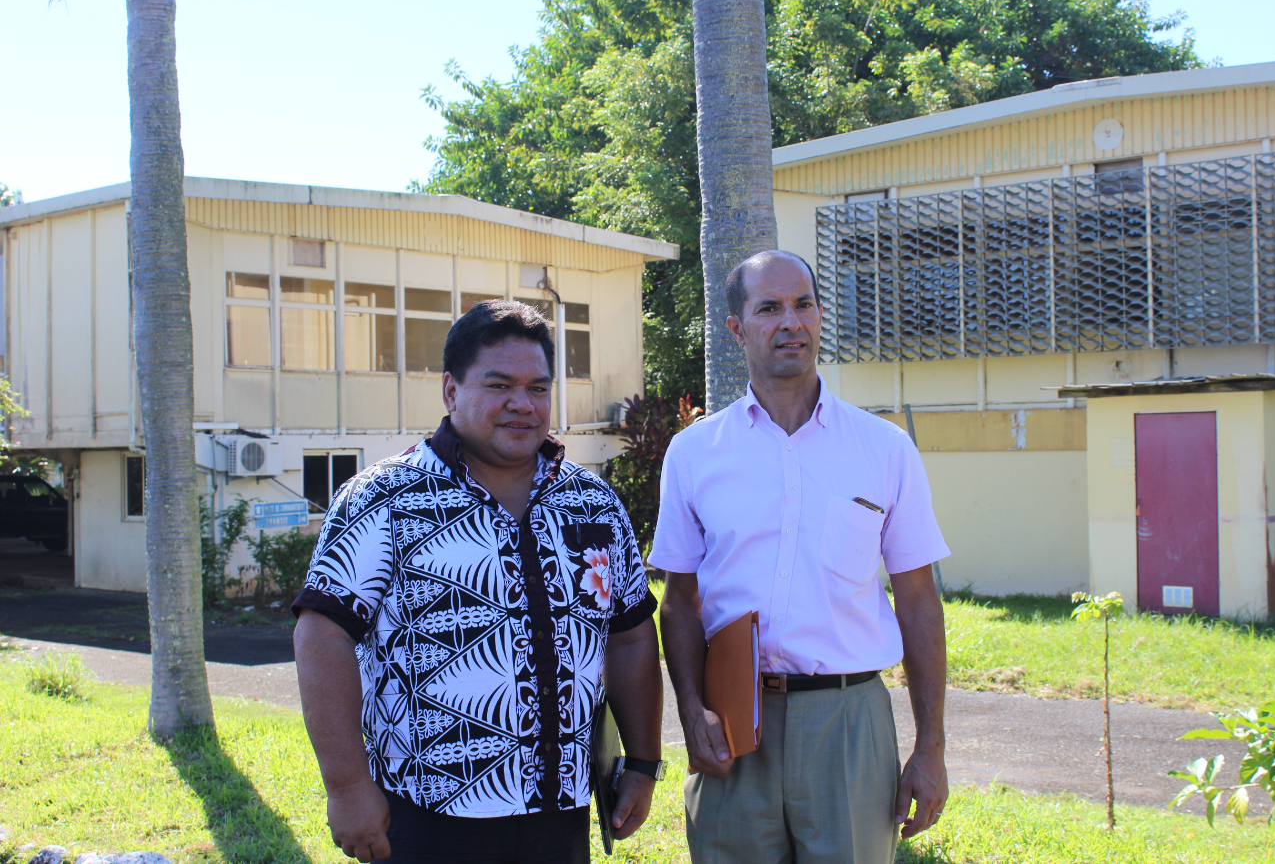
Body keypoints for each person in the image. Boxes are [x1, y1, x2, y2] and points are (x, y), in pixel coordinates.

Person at [292, 300, 664, 864]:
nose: (523, 404)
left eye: (539, 388)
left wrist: (641, 761)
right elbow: (323, 637)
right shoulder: (385, 500)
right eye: (499, 385)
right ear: (450, 391)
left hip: (559, 816)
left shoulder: (593, 505)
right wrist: (346, 786)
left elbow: (632, 637)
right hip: (424, 817)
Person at [652, 250, 951, 864]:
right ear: (737, 329)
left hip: (848, 724)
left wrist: (931, 748)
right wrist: (690, 709)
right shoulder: (694, 453)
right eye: (769, 308)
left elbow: (919, 601)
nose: (791, 321)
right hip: (733, 727)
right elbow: (679, 603)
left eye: (804, 304)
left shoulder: (884, 449)